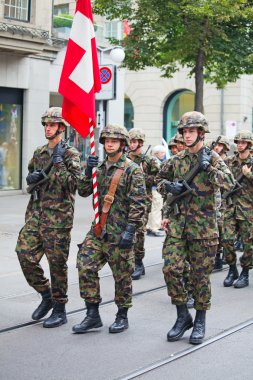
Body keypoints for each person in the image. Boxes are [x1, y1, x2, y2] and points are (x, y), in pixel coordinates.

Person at [156, 111, 234, 345]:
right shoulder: (177, 160)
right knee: (171, 269)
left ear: (201, 133)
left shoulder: (213, 159)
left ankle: (200, 320)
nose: (187, 135)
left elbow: (229, 183)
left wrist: (208, 167)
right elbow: (158, 180)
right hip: (179, 226)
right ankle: (183, 316)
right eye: (184, 131)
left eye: (191, 131)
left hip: (204, 228)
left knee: (200, 277)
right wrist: (169, 187)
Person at [73, 124, 146, 334]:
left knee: (121, 276)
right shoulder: (99, 167)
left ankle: (122, 315)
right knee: (85, 266)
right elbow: (84, 191)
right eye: (106, 140)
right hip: (98, 230)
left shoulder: (132, 170)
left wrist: (130, 231)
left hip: (121, 232)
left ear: (123, 144)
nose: (110, 144)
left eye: (114, 140)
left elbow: (138, 203)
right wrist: (88, 171)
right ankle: (92, 314)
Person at [16, 107, 80, 328]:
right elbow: (31, 179)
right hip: (36, 213)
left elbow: (75, 186)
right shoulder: (39, 152)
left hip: (58, 218)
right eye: (45, 124)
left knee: (57, 265)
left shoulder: (71, 154)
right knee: (24, 254)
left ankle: (60, 308)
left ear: (62, 128)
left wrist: (60, 163)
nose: (48, 128)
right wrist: (30, 177)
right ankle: (46, 294)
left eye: (52, 124)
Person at [222, 130, 253, 288]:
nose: (239, 145)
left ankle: (245, 273)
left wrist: (248, 175)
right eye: (238, 142)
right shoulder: (229, 162)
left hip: (248, 210)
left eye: (243, 142)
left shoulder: (252, 164)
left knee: (249, 245)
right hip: (230, 207)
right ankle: (232, 269)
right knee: (226, 240)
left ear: (249, 145)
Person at [127, 128, 159, 279]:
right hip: (126, 201)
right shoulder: (124, 158)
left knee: (138, 233)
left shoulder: (149, 160)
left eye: (134, 142)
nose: (131, 145)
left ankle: (138, 262)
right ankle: (130, 261)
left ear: (140, 143)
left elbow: (159, 179)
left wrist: (142, 176)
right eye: (130, 142)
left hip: (142, 201)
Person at [212, 135, 231, 270]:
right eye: (216, 145)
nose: (217, 147)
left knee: (223, 230)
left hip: (227, 201)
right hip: (215, 200)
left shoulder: (228, 162)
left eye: (220, 145)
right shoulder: (213, 161)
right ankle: (217, 257)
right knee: (216, 229)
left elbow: (230, 181)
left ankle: (224, 255)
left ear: (225, 148)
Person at [146, 145, 166, 237]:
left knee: (153, 208)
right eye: (162, 152)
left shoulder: (152, 160)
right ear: (157, 153)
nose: (163, 154)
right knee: (156, 208)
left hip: (152, 188)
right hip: (155, 188)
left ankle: (150, 227)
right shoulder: (155, 162)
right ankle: (155, 228)